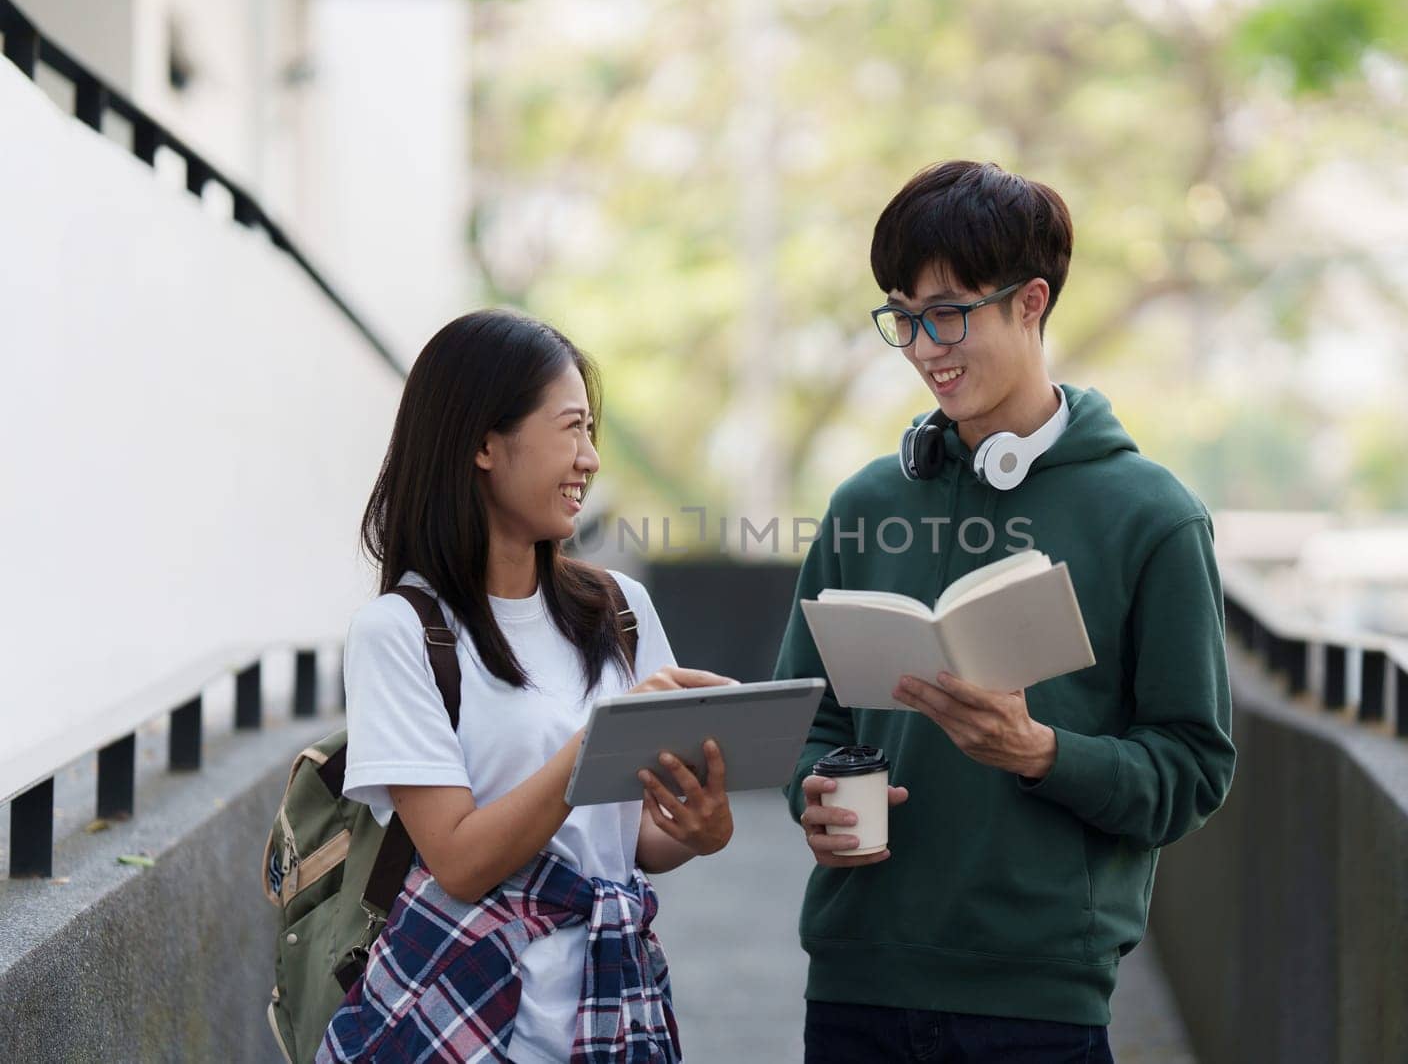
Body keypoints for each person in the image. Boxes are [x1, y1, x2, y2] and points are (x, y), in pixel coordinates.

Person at [774, 161, 1237, 1063]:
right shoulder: (865, 503)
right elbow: (805, 717)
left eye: (947, 313)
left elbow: (1195, 769)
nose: (923, 346)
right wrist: (815, 793)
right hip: (855, 988)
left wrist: (1045, 754)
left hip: (1039, 1010)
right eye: (902, 318)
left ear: (1031, 302)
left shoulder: (1154, 516)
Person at [322, 308, 734, 1063]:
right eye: (571, 428)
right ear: (484, 442)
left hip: (612, 1009)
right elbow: (460, 858)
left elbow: (631, 840)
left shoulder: (620, 610)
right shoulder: (399, 632)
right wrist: (602, 739)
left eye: (591, 432)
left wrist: (695, 827)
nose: (591, 458)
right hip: (462, 1013)